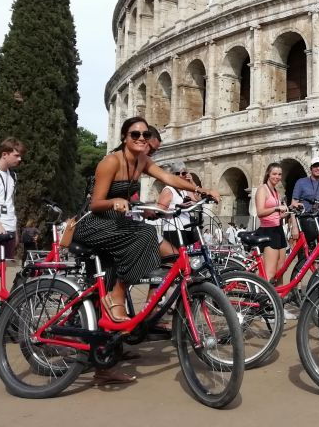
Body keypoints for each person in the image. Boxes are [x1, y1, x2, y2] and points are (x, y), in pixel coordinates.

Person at [73, 117, 216, 358]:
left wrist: (200, 190)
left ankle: (119, 342)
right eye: (135, 134)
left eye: (145, 135)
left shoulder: (142, 160)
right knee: (146, 233)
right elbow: (96, 203)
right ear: (124, 138)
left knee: (164, 252)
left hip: (117, 225)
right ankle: (116, 296)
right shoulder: (110, 162)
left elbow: (169, 179)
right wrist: (115, 201)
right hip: (94, 223)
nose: (141, 139)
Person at [254, 163, 294, 282]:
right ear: (268, 174)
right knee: (270, 272)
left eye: (279, 174)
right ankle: (265, 295)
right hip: (268, 230)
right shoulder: (262, 189)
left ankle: (278, 296)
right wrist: (276, 208)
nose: (277, 177)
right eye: (274, 174)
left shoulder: (275, 191)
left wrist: (287, 211)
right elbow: (260, 212)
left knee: (281, 268)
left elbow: (275, 214)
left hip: (278, 229)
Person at [291, 156, 319, 243]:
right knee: (305, 256)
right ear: (311, 168)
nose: (318, 168)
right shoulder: (301, 182)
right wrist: (294, 227)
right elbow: (293, 205)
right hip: (305, 225)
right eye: (315, 166)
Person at [156, 161, 196, 247]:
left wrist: (191, 182)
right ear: (173, 175)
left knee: (188, 258)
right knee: (176, 258)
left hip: (186, 227)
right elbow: (160, 209)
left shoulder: (185, 189)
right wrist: (176, 206)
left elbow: (197, 198)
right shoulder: (168, 189)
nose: (181, 176)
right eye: (178, 173)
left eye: (184, 173)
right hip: (173, 228)